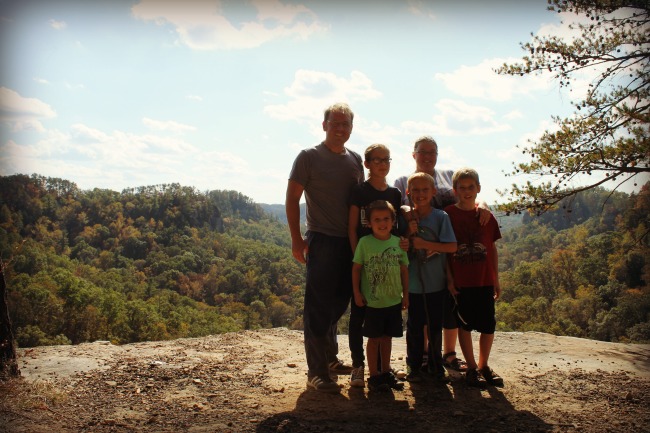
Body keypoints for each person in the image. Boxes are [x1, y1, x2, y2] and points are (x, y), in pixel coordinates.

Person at [286, 102, 364, 393]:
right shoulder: (308, 157)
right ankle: (316, 372)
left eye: (346, 124)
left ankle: (330, 360)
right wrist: (297, 239)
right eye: (335, 123)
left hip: (350, 241)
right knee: (318, 308)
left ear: (351, 129)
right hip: (321, 239)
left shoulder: (355, 160)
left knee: (340, 303)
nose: (340, 128)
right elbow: (292, 198)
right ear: (324, 125)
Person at [394, 136, 490, 373]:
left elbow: (469, 193)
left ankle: (448, 354)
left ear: (437, 154)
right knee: (425, 308)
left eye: (432, 152)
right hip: (420, 256)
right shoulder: (402, 180)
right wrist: (407, 210)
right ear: (413, 154)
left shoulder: (448, 175)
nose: (427, 156)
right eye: (422, 152)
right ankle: (425, 355)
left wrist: (484, 205)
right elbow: (396, 206)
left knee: (447, 307)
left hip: (451, 250)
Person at [347, 144, 403, 387]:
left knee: (383, 320)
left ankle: (381, 369)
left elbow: (397, 230)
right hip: (363, 260)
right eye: (376, 160)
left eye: (386, 159)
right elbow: (351, 227)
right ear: (367, 164)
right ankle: (359, 366)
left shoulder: (395, 194)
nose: (382, 164)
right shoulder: (359, 191)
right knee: (359, 316)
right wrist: (358, 258)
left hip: (387, 265)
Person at [445, 167, 504, 388]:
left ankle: (483, 365)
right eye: (462, 187)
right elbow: (445, 251)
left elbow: (493, 249)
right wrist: (449, 280)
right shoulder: (449, 214)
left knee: (488, 326)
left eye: (471, 187)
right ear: (455, 190)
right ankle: (471, 368)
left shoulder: (487, 218)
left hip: (484, 280)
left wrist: (496, 279)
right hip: (461, 282)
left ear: (478, 188)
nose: (467, 191)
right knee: (465, 326)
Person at [399, 172, 457, 383]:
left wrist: (425, 244)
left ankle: (435, 366)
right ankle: (413, 366)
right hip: (413, 284)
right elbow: (400, 249)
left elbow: (451, 246)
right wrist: (407, 235)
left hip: (436, 283)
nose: (420, 194)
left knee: (434, 326)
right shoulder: (404, 220)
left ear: (433, 192)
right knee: (414, 326)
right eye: (415, 190)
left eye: (425, 190)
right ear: (408, 193)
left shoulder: (441, 217)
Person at [352, 200, 409, 391]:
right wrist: (357, 292)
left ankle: (386, 372)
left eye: (386, 219)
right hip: (373, 303)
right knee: (374, 339)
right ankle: (374, 376)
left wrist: (406, 295)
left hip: (393, 300)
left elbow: (404, 271)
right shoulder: (365, 243)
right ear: (369, 223)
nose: (382, 223)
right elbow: (356, 269)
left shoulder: (398, 242)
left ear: (393, 221)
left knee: (387, 338)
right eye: (377, 219)